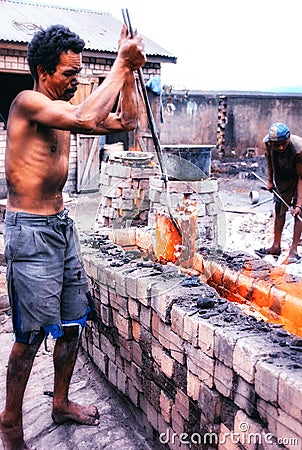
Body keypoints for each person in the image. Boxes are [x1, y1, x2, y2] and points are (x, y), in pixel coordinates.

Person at [0, 23, 145, 450]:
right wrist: (119, 63)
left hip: (62, 229)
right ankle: (10, 422)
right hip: (30, 233)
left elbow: (125, 122)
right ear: (43, 71)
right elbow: (87, 114)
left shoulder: (63, 113)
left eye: (79, 74)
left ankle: (60, 402)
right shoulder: (28, 103)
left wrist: (131, 73)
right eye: (68, 74)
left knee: (71, 323)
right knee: (29, 337)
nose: (75, 81)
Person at [254, 122, 302, 264]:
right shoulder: (269, 143)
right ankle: (276, 246)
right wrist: (270, 180)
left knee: (299, 213)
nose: (280, 147)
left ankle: (293, 251)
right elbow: (269, 159)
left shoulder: (299, 150)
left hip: (299, 177)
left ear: (288, 139)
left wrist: (299, 204)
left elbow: (301, 177)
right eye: (277, 145)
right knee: (279, 210)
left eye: (283, 144)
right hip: (282, 177)